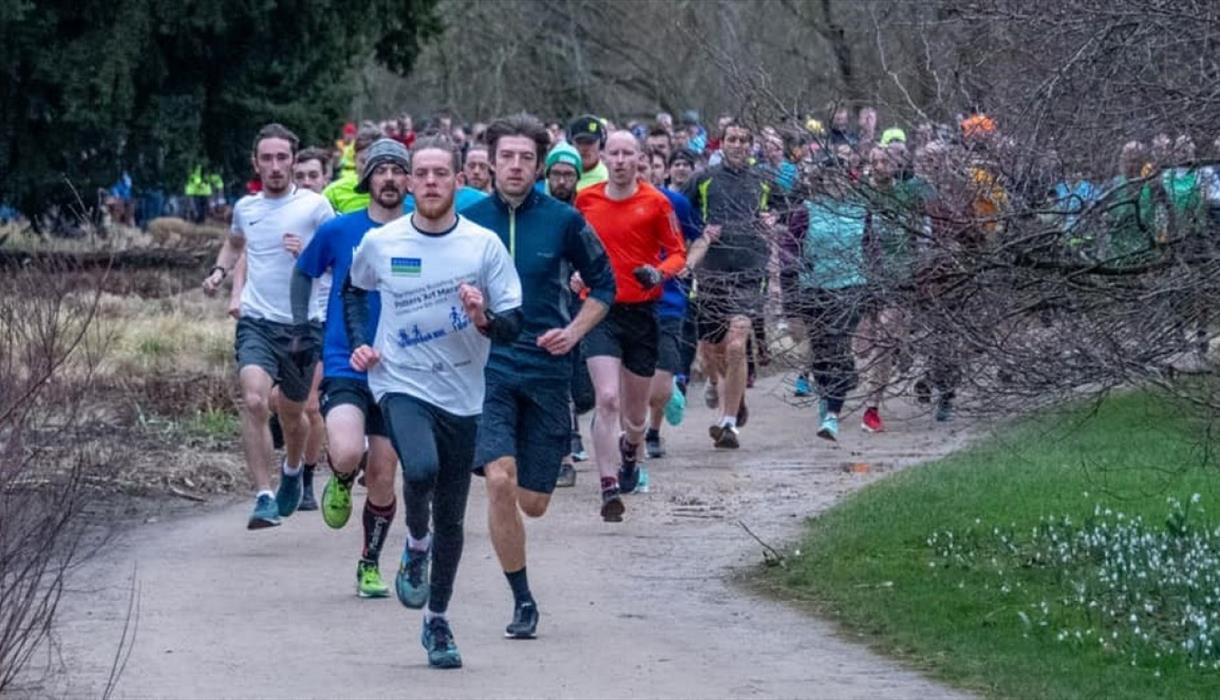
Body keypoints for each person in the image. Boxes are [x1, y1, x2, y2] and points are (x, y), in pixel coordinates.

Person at [343, 135, 523, 669]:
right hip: (401, 380)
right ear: (409, 181)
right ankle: (414, 543)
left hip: (464, 394)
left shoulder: (483, 246)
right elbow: (355, 289)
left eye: (439, 174)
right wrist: (361, 340)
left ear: (458, 181)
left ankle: (436, 621)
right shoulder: (384, 241)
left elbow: (514, 325)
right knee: (417, 467)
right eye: (419, 173)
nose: (428, 183)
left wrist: (483, 316)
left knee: (453, 518)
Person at [464, 113, 614, 640]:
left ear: (541, 165)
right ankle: (522, 599)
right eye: (507, 156)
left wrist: (574, 332)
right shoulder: (468, 221)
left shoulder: (563, 220)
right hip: (489, 367)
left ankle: (532, 494)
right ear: (488, 161)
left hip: (548, 367)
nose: (515, 166)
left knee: (535, 502)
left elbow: (604, 285)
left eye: (527, 158)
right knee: (499, 481)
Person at [291, 139, 408, 598]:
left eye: (399, 171)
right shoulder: (342, 231)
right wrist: (302, 328)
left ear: (409, 180)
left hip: (402, 370)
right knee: (343, 450)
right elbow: (304, 271)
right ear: (367, 179)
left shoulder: (424, 231)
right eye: (381, 171)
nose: (390, 179)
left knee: (383, 471)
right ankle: (340, 477)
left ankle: (369, 563)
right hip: (346, 360)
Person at [202, 123, 334, 528]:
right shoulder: (247, 208)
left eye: (282, 158)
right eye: (267, 158)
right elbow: (236, 242)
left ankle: (292, 470)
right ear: (256, 163)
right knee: (256, 401)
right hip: (257, 320)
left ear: (293, 160)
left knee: (293, 415)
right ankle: (262, 495)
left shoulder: (315, 207)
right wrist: (220, 272)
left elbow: (339, 260)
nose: (275, 166)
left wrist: (309, 252)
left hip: (302, 324)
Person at [575, 130, 686, 520]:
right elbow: (573, 246)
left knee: (635, 417)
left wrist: (658, 273)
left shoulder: (656, 203)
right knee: (607, 398)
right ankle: (608, 488)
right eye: (614, 153)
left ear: (640, 158)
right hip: (601, 308)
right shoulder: (586, 199)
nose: (620, 160)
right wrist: (575, 273)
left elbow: (677, 254)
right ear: (604, 157)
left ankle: (629, 454)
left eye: (628, 154)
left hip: (642, 313)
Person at [685, 120, 774, 449]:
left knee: (737, 343)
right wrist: (698, 236)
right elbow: (680, 214)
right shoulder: (703, 179)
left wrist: (773, 220)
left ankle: (728, 422)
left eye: (743, 140)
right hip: (711, 273)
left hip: (750, 272)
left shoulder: (764, 180)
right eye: (732, 139)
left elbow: (789, 209)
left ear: (752, 146)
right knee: (712, 351)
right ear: (721, 144)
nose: (737, 145)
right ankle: (726, 393)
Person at [642, 148, 707, 460]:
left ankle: (654, 429)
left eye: (650, 166)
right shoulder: (609, 203)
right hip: (626, 302)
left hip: (669, 299)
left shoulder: (675, 203)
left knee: (661, 382)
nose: (643, 172)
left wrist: (689, 264)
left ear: (660, 171)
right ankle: (635, 434)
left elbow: (701, 237)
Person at [542, 141, 594, 485]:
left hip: (582, 305)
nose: (562, 181)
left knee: (584, 387)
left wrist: (583, 274)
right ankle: (562, 453)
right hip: (548, 304)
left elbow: (600, 257)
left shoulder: (587, 211)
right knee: (555, 377)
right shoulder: (538, 210)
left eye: (568, 175)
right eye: (556, 174)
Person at [324, 125, 382, 213]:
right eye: (363, 161)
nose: (369, 168)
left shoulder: (400, 195)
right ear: (355, 159)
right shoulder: (334, 192)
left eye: (375, 162)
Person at [568, 114, 608, 191]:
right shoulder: (559, 175)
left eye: (589, 142)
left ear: (601, 144)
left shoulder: (608, 181)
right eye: (579, 142)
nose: (584, 148)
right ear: (571, 143)